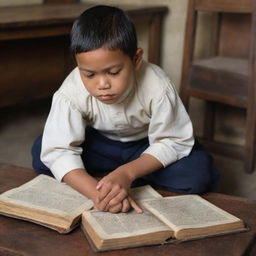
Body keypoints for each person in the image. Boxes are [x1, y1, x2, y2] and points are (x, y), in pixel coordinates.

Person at [31, 5, 219, 214]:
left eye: (113, 72)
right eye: (89, 75)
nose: (102, 84)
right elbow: (58, 150)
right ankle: (111, 185)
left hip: (146, 145)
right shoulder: (70, 91)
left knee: (198, 171)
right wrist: (97, 193)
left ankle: (120, 178)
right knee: (42, 150)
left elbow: (172, 140)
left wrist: (128, 173)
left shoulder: (158, 86)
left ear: (136, 59)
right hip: (100, 144)